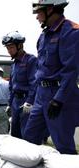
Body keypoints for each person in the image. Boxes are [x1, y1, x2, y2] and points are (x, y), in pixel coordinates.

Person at [23, 0, 79, 154]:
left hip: (58, 94)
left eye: (39, 12)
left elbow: (71, 71)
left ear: (50, 9)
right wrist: (33, 98)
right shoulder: (44, 35)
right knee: (29, 138)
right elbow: (40, 71)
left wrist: (59, 99)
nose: (37, 17)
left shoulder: (71, 32)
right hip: (41, 95)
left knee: (63, 145)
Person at [2, 31, 38, 139]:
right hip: (15, 102)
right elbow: (12, 85)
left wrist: (30, 101)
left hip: (26, 102)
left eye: (11, 47)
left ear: (20, 46)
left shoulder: (31, 60)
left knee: (26, 134)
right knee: (15, 133)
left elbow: (34, 83)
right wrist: (10, 103)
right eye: (7, 48)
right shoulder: (14, 64)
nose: (9, 51)